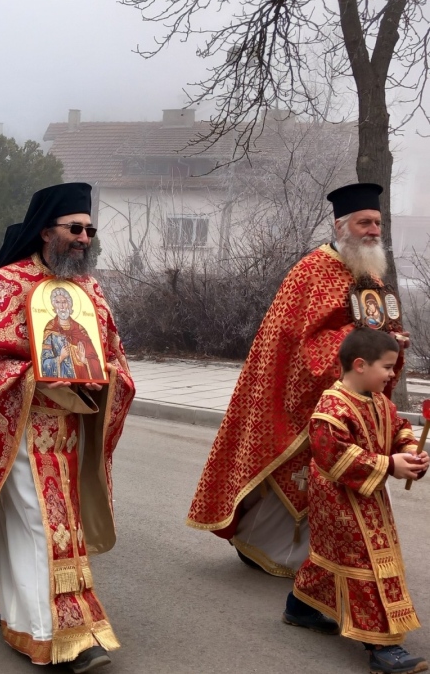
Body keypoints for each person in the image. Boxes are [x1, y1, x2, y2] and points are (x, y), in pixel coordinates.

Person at [0, 183, 136, 673]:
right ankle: (61, 637)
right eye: (75, 228)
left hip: (67, 429)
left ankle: (12, 603)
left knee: (52, 523)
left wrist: (109, 377)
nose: (85, 237)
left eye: (89, 229)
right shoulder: (7, 284)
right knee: (42, 524)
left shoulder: (88, 289)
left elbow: (113, 352)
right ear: (47, 231)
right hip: (19, 425)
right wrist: (38, 376)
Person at [186, 183, 409, 578]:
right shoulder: (312, 270)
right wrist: (365, 347)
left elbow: (381, 328)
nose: (374, 230)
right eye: (365, 223)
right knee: (301, 480)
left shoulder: (372, 275)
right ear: (342, 226)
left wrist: (392, 347)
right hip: (305, 400)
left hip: (358, 400)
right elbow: (303, 343)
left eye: (377, 223)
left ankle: (335, 564)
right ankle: (266, 550)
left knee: (353, 477)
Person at [285, 328, 428, 674]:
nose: (393, 374)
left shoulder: (378, 399)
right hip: (338, 501)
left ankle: (299, 607)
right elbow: (333, 454)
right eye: (389, 367)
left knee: (329, 559)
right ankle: (381, 646)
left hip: (369, 496)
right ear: (361, 365)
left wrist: (410, 451)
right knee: (366, 566)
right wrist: (389, 464)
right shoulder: (330, 408)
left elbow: (397, 428)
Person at [41, 287, 105, 380]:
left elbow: (94, 358)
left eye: (64, 302)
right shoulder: (50, 329)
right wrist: (60, 357)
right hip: (62, 380)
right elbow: (45, 361)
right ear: (54, 305)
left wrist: (84, 360)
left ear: (69, 304)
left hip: (82, 378)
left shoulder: (80, 329)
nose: (61, 306)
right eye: (58, 302)